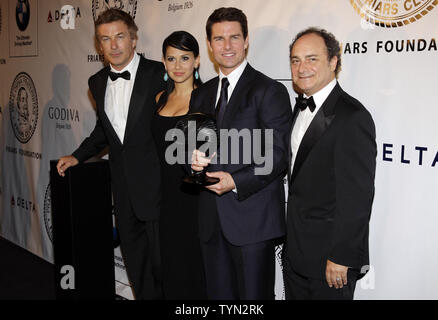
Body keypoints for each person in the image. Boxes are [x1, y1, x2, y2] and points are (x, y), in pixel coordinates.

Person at [56, 8, 165, 299]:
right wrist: (77, 156)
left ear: (133, 39)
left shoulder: (161, 73)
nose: (114, 45)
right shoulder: (97, 82)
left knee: (165, 266)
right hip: (124, 190)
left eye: (120, 37)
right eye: (106, 39)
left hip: (159, 189)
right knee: (137, 262)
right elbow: (104, 131)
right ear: (99, 45)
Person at [190, 7, 292, 300]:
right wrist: (193, 164)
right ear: (209, 45)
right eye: (219, 39)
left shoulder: (268, 90)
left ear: (246, 41)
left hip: (252, 220)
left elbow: (277, 154)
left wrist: (235, 181)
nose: (227, 46)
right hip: (211, 221)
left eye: (235, 37)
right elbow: (190, 148)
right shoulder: (201, 93)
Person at [282, 27, 377, 300]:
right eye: (295, 60)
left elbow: (358, 197)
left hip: (330, 262)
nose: (302, 68)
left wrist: (341, 256)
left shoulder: (352, 116)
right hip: (296, 255)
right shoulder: (298, 107)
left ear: (333, 62)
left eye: (312, 58)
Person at [151, 31, 206, 300]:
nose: (178, 65)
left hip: (195, 199)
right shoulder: (159, 98)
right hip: (165, 198)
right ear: (163, 62)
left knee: (194, 269)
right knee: (169, 267)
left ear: (197, 61)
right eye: (171, 58)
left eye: (185, 58)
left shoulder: (207, 99)